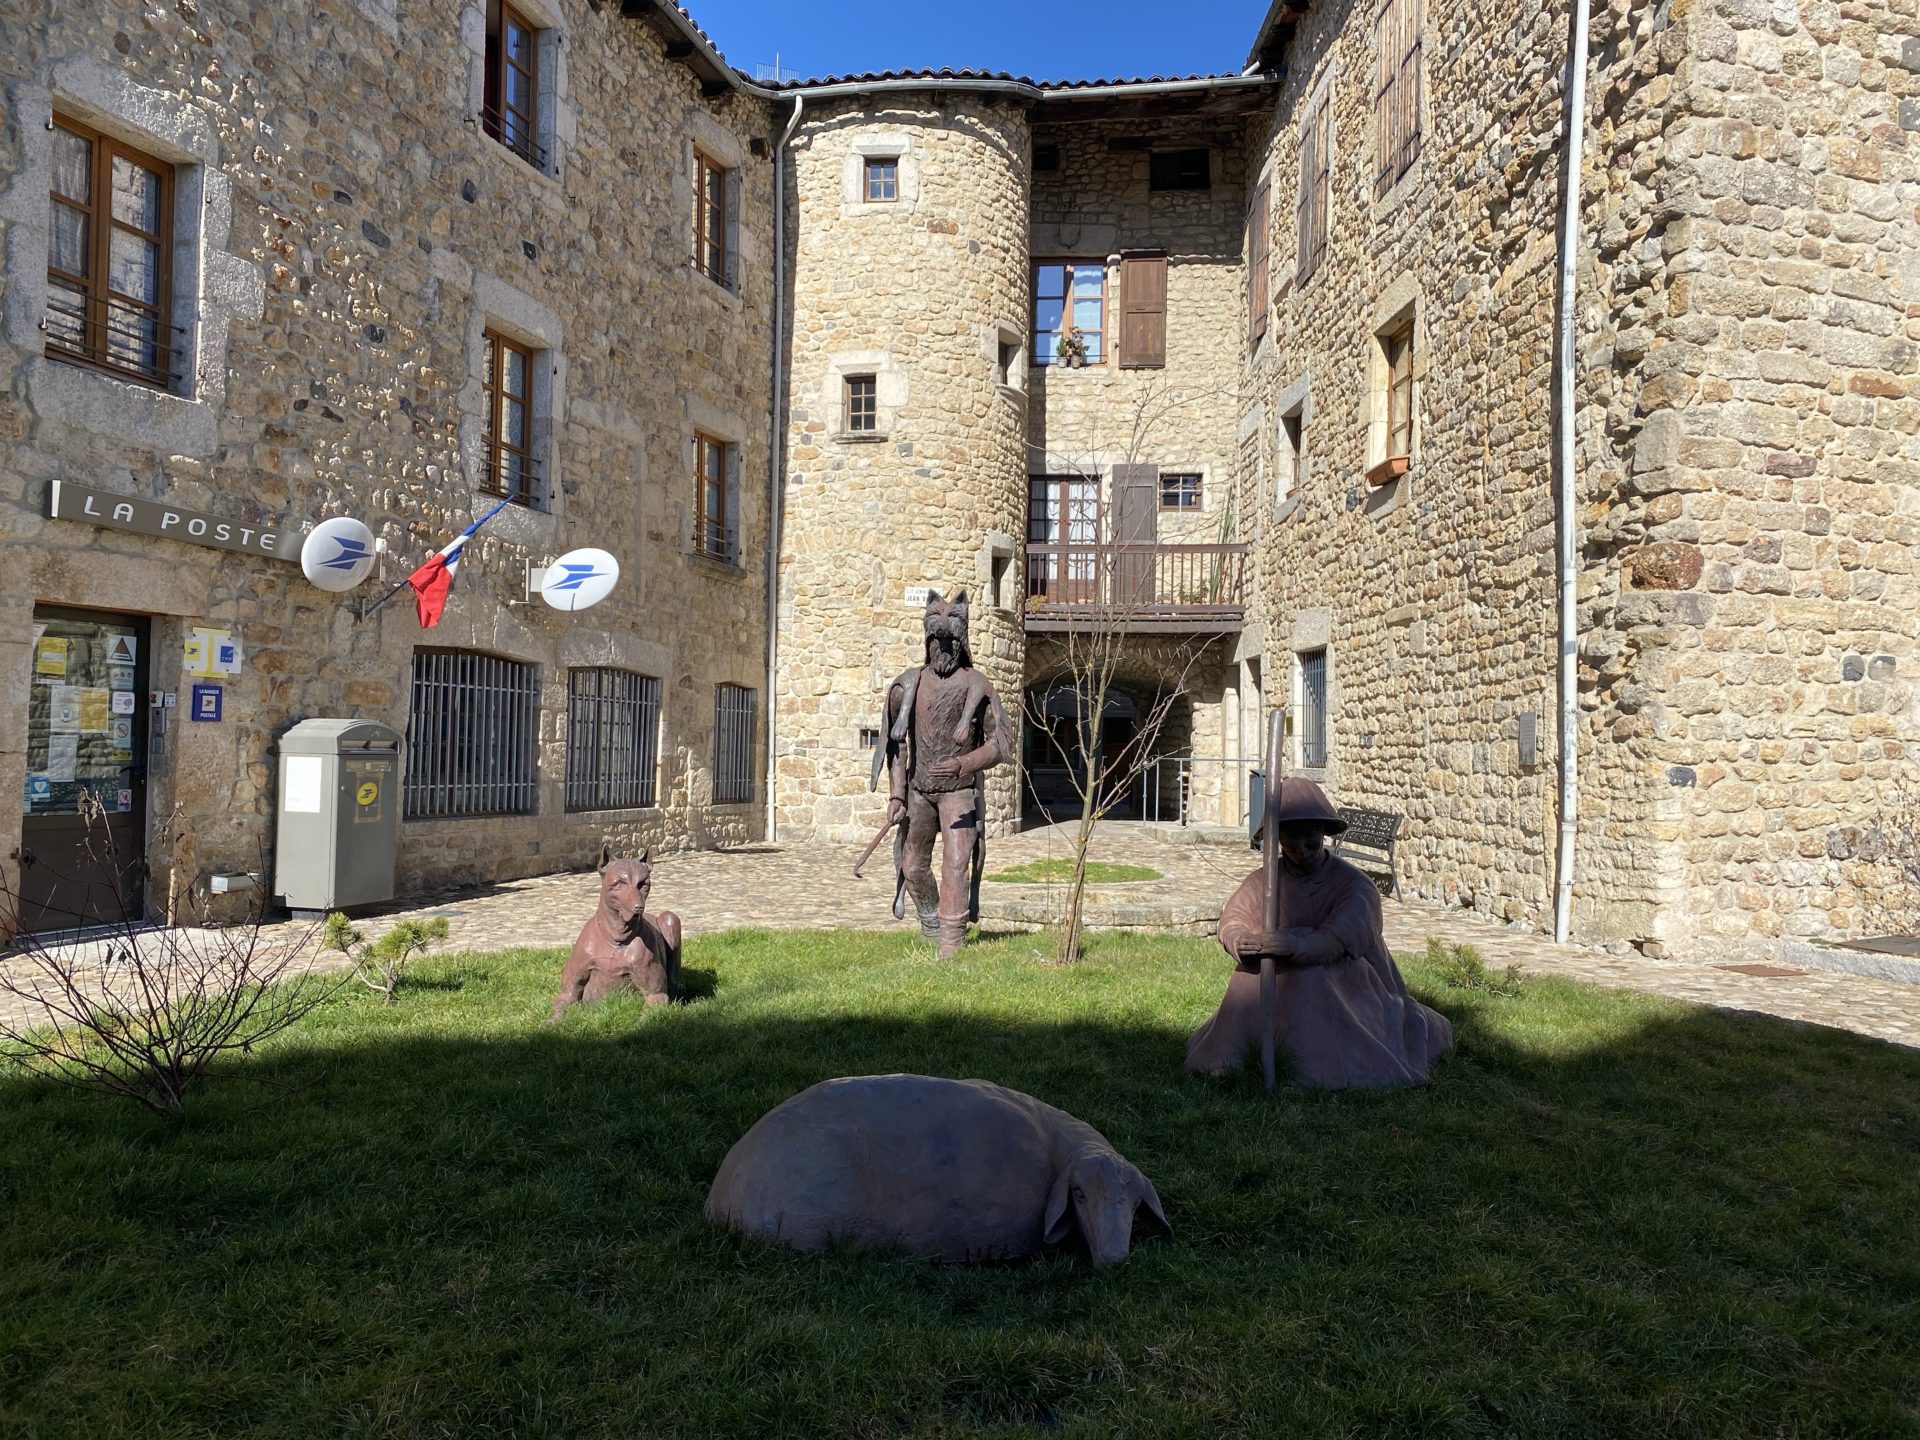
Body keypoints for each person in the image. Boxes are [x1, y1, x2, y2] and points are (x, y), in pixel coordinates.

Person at [1186, 777, 1452, 1088]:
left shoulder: (1355, 886)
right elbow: (1233, 918)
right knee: (1250, 975)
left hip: (1348, 979)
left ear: (1323, 833)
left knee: (1311, 980)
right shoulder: (1264, 881)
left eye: (1309, 835)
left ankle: (1321, 1069)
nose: (1300, 847)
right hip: (1280, 976)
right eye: (1290, 837)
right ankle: (1232, 1059)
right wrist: (1239, 939)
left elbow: (1339, 939)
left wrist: (1294, 945)